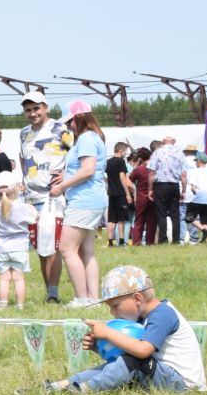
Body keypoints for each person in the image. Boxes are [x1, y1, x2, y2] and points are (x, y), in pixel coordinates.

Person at [35, 264, 207, 394]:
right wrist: (99, 348)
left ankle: (82, 390)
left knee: (133, 363)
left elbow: (142, 351)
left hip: (183, 385)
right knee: (121, 364)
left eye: (115, 305)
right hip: (164, 374)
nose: (112, 312)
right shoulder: (145, 317)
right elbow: (125, 356)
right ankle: (62, 385)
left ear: (137, 298)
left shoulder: (162, 314)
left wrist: (108, 333)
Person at [51, 101, 107, 306]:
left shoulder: (85, 139)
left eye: (70, 122)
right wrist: (65, 176)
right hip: (93, 199)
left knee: (66, 248)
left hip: (83, 200)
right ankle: (93, 298)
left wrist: (62, 186)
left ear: (80, 119)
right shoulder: (92, 137)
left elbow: (88, 170)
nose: (68, 126)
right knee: (86, 251)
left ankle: (81, 298)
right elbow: (85, 169)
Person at [16, 91, 67, 299]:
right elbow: (22, 158)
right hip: (31, 197)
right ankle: (48, 291)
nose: (32, 113)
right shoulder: (23, 133)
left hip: (53, 196)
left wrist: (66, 175)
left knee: (52, 246)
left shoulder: (60, 129)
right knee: (40, 248)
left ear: (46, 108)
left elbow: (75, 156)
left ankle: (53, 292)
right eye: (28, 110)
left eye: (36, 108)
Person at [0, 171, 36, 308]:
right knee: (18, 278)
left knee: (4, 278)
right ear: (16, 189)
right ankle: (20, 305)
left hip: (1, 249)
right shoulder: (22, 207)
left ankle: (3, 304)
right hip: (19, 248)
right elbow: (34, 217)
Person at [148, 136, 187, 245]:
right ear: (174, 141)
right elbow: (184, 174)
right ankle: (176, 239)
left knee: (161, 214)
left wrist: (150, 189)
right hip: (174, 185)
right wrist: (184, 190)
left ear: (163, 141)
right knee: (175, 214)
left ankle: (163, 239)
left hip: (160, 185)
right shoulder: (180, 153)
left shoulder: (157, 153)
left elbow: (151, 173)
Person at [182, 148, 207, 243]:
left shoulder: (195, 172)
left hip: (198, 198)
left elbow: (193, 187)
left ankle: (204, 230)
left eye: (196, 161)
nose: (195, 163)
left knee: (188, 217)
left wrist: (195, 191)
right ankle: (204, 239)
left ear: (199, 161)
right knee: (205, 220)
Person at [105, 141, 131, 246]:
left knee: (111, 219)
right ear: (121, 150)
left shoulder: (108, 161)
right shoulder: (121, 161)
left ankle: (110, 242)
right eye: (125, 151)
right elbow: (122, 177)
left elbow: (105, 177)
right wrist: (127, 193)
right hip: (120, 193)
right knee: (121, 219)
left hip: (111, 193)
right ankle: (121, 241)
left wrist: (110, 185)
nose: (126, 154)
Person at [128, 147, 155, 245]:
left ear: (140, 158)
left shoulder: (139, 169)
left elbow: (129, 179)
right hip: (153, 197)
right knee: (151, 221)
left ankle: (136, 241)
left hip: (141, 197)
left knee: (139, 220)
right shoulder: (153, 169)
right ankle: (150, 242)